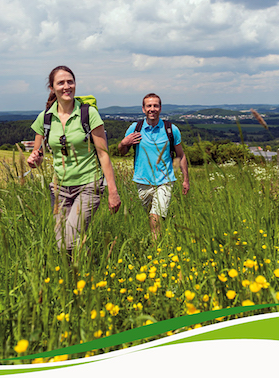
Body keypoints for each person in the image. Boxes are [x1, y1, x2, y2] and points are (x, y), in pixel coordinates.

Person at [27, 65, 121, 253]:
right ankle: (81, 275)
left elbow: (103, 153)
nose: (66, 86)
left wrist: (113, 190)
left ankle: (81, 276)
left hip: (88, 185)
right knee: (62, 244)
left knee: (68, 242)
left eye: (70, 81)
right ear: (52, 88)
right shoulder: (44, 118)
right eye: (60, 83)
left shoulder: (88, 114)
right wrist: (34, 160)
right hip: (59, 190)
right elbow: (38, 154)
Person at [118, 93, 189, 239]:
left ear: (160, 108)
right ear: (143, 109)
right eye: (149, 106)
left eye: (155, 105)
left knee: (155, 218)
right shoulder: (135, 128)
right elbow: (122, 152)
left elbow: (180, 155)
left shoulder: (171, 129)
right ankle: (157, 240)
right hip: (142, 181)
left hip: (165, 181)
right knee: (149, 217)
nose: (152, 109)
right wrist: (124, 143)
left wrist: (185, 180)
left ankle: (156, 250)